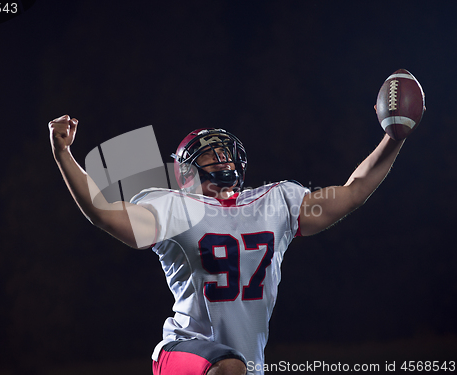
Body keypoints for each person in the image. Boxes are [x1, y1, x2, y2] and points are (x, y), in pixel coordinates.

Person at [49, 115, 405, 375]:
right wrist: (64, 155)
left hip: (244, 364)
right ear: (186, 173)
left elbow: (353, 191)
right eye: (208, 154)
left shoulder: (276, 202)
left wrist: (394, 135)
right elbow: (104, 214)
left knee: (236, 367)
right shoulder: (174, 207)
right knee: (230, 368)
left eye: (224, 151)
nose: (221, 158)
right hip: (182, 354)